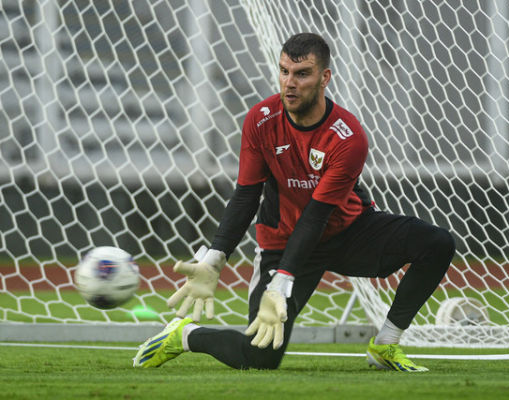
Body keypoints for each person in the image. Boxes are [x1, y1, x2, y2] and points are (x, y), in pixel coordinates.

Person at [133, 32, 455, 372]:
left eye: (302, 74)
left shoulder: (348, 136)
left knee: (436, 243)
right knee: (260, 358)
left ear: (324, 77)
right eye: (284, 71)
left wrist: (282, 282)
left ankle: (386, 345)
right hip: (283, 242)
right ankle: (185, 335)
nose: (290, 83)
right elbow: (246, 196)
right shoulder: (261, 119)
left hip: (346, 230)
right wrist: (214, 259)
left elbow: (317, 215)